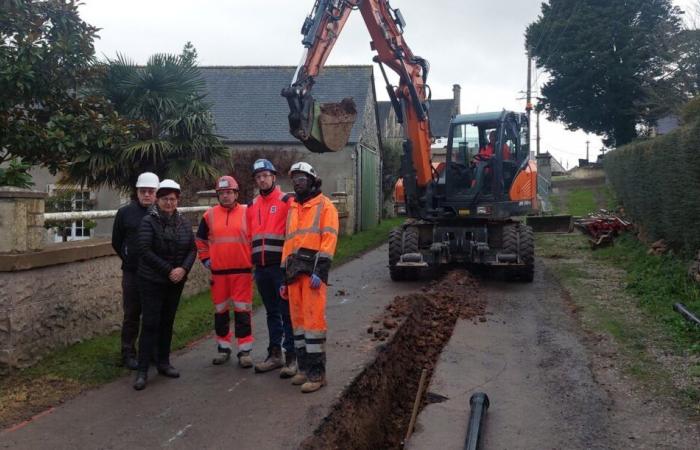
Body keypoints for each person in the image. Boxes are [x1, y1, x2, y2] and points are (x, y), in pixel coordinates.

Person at [280, 162, 339, 393]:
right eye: (295, 179)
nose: (297, 182)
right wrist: (284, 278)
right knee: (299, 325)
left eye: (302, 178)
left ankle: (317, 374)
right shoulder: (293, 207)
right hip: (294, 273)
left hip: (312, 272)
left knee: (313, 324)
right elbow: (289, 243)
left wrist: (320, 271)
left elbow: (329, 238)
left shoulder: (325, 206)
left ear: (313, 180)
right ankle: (303, 369)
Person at [133, 179, 196, 391]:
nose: (169, 203)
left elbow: (192, 249)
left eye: (172, 199)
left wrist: (183, 270)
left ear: (177, 200)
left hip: (175, 282)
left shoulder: (183, 222)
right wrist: (169, 270)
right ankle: (142, 370)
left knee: (167, 322)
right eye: (165, 199)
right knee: (150, 323)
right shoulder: (148, 221)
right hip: (152, 280)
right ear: (158, 200)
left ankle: (163, 362)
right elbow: (144, 250)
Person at [196, 176, 255, 368]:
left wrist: (255, 261)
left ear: (236, 193)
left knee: (242, 311)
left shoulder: (248, 212)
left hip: (243, 272)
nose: (226, 196)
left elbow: (257, 238)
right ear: (218, 195)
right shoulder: (209, 215)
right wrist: (205, 259)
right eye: (222, 193)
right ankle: (223, 348)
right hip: (219, 273)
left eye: (229, 192)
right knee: (220, 312)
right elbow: (201, 241)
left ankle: (244, 351)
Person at [247, 159, 296, 377]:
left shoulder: (287, 200)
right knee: (271, 312)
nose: (262, 180)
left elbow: (294, 234)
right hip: (261, 268)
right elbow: (249, 236)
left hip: (281, 268)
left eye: (265, 175)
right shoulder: (252, 205)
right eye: (258, 177)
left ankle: (292, 357)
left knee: (287, 312)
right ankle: (275, 354)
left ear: (273, 177)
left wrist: (290, 264)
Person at [112, 172, 159, 370]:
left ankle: (152, 352)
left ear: (156, 193)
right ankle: (128, 353)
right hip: (132, 273)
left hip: (156, 273)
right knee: (131, 314)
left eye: (150, 191)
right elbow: (116, 242)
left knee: (154, 314)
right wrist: (129, 259)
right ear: (137, 192)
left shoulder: (162, 212)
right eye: (143, 191)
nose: (146, 195)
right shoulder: (125, 213)